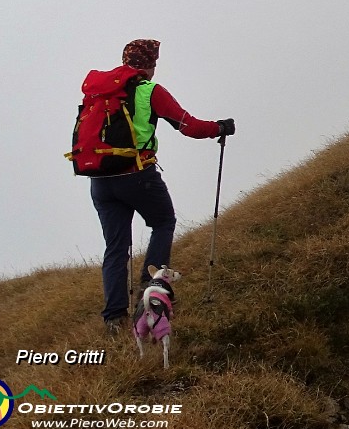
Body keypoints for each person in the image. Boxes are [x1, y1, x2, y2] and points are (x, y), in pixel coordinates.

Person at [76, 39, 234, 334]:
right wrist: (221, 128)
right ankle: (153, 288)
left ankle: (114, 319)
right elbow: (190, 126)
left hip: (99, 180)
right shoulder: (149, 91)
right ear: (151, 64)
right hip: (137, 174)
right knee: (163, 221)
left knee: (116, 247)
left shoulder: (100, 92)